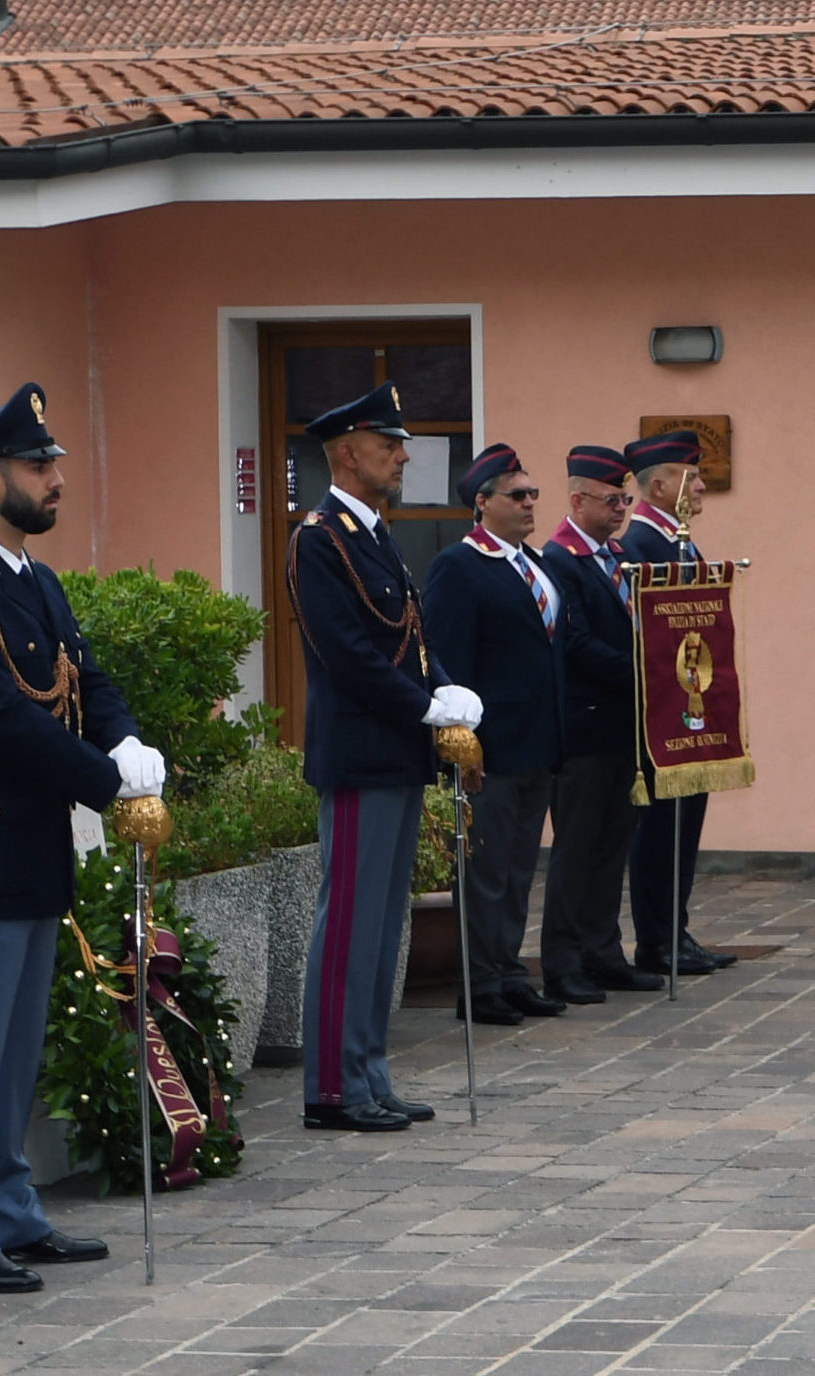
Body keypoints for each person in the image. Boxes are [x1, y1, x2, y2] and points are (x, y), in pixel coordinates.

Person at [0, 382, 165, 1292]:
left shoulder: (37, 582)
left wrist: (125, 742)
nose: (56, 479)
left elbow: (87, 678)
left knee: (14, 1054)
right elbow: (4, 719)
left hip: (33, 850)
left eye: (53, 464)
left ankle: (10, 1206)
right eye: (38, 465)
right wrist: (104, 782)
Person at [287, 384, 483, 1132]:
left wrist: (444, 689)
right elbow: (347, 653)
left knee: (381, 923)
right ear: (345, 452)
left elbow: (408, 638)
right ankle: (332, 1087)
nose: (403, 455)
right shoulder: (318, 537)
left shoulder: (372, 534)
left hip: (397, 751)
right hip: (360, 753)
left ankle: (368, 1070)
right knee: (350, 923)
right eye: (388, 443)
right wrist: (423, 705)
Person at [421, 443, 571, 1027]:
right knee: (484, 871)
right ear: (482, 504)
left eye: (533, 493)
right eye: (518, 495)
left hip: (538, 741)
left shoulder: (534, 563)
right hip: (493, 747)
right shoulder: (459, 567)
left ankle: (508, 971)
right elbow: (448, 659)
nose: (531, 503)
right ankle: (478, 984)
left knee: (515, 869)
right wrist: (463, 742)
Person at [540, 448, 663, 1003]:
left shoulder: (615, 556)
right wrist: (647, 669)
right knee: (576, 849)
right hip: (585, 727)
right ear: (578, 500)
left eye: (625, 499)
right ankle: (563, 961)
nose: (621, 510)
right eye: (612, 499)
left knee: (614, 843)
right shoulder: (559, 559)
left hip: (623, 727)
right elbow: (577, 643)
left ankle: (604, 951)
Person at [616, 430, 738, 977]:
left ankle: (676, 928)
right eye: (694, 476)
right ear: (660, 485)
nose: (704, 485)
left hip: (690, 707)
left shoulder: (682, 543)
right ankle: (656, 938)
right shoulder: (639, 548)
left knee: (686, 823)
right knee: (660, 828)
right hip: (658, 711)